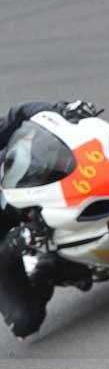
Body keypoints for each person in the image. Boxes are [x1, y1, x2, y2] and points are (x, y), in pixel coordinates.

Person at [0, 100, 102, 337]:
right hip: (6, 242)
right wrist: (13, 245)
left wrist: (60, 111)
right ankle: (48, 268)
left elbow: (19, 114)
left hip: (24, 187)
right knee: (25, 321)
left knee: (59, 155)